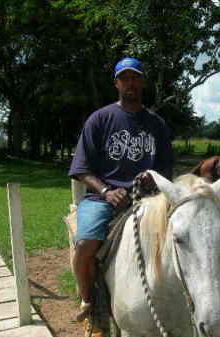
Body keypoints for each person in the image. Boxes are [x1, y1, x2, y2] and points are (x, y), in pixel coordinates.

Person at [68, 57, 174, 322]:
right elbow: (81, 168)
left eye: (136, 77)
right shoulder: (100, 119)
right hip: (103, 198)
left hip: (148, 198)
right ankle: (88, 300)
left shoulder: (157, 124)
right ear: (116, 83)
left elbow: (165, 170)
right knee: (85, 244)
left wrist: (154, 179)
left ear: (143, 82)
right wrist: (106, 191)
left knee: (185, 236)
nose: (131, 83)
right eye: (125, 78)